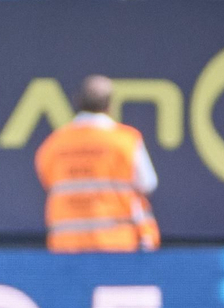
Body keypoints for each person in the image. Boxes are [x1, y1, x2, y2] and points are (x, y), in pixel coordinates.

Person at [34, 76, 159, 254]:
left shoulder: (54, 143)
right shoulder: (125, 141)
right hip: (115, 244)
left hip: (67, 245)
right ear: (110, 105)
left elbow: (47, 180)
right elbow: (147, 184)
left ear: (77, 101)